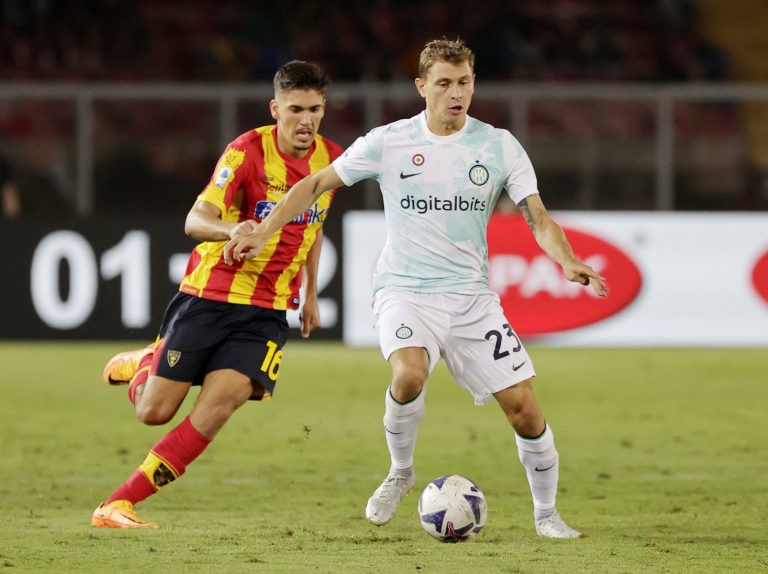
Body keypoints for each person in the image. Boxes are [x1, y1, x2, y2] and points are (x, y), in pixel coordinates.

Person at [224, 39, 608, 539]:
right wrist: (264, 228)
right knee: (408, 375)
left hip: (471, 298)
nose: (456, 93)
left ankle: (547, 515)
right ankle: (400, 472)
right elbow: (316, 184)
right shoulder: (389, 141)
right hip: (405, 289)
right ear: (421, 86)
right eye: (444, 83)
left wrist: (566, 260)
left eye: (465, 82)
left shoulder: (499, 145)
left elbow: (538, 218)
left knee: (524, 410)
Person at [91, 60, 344, 529]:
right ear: (276, 108)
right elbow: (195, 220)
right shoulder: (245, 152)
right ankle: (148, 358)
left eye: (314, 109)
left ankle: (117, 504)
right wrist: (234, 228)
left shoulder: (333, 159)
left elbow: (314, 226)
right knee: (153, 411)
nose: (306, 120)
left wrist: (309, 293)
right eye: (295, 109)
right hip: (212, 295)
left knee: (219, 405)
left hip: (268, 311)